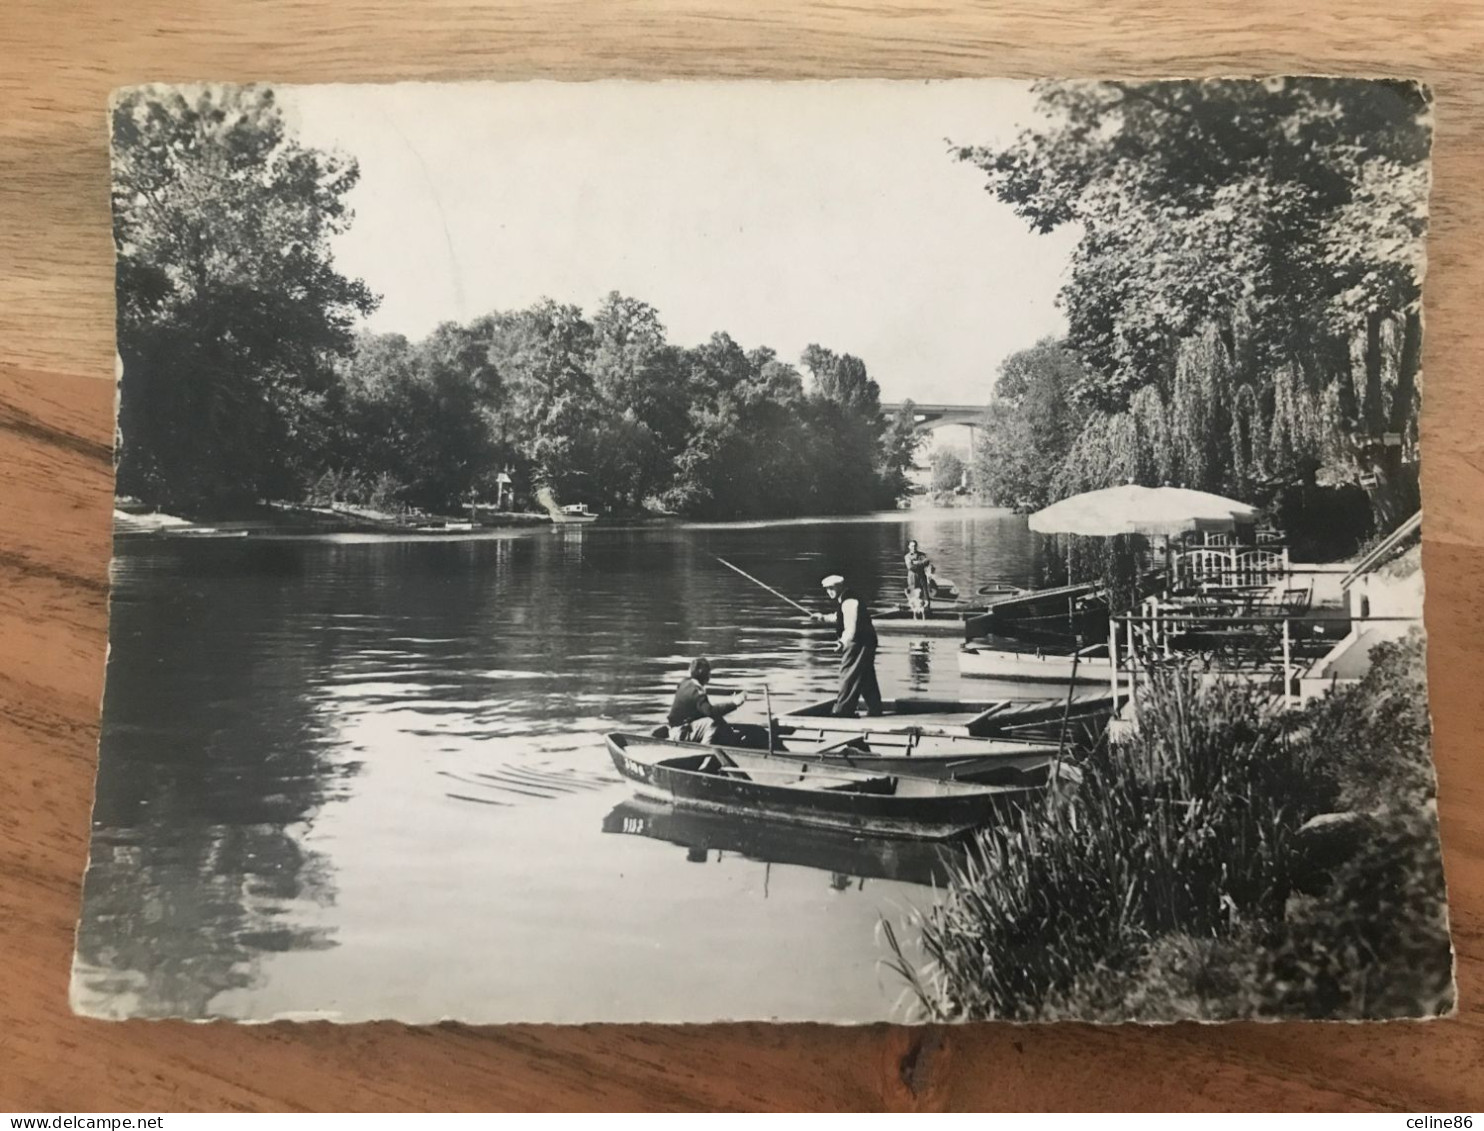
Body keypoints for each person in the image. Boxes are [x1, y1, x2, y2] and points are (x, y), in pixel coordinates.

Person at [813, 574, 883, 717]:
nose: (829, 592)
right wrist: (823, 618)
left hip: (859, 642)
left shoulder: (849, 601)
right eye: (827, 589)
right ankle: (875, 708)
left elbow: (851, 627)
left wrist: (841, 642)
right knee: (865, 675)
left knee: (848, 674)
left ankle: (843, 711)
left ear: (840, 586)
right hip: (866, 641)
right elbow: (840, 617)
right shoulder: (846, 599)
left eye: (832, 588)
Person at [666, 657, 747, 744]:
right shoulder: (696, 691)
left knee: (716, 719)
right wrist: (734, 704)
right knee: (712, 722)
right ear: (704, 674)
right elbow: (710, 711)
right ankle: (706, 749)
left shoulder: (685, 683)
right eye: (708, 672)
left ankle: (729, 740)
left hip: (677, 729)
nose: (710, 675)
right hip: (680, 733)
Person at [903, 539, 934, 614]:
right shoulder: (907, 556)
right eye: (912, 546)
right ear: (909, 547)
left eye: (915, 546)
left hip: (922, 576)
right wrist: (921, 563)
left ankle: (927, 610)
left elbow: (927, 562)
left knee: (925, 592)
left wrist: (916, 563)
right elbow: (910, 567)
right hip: (912, 577)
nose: (914, 547)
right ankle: (914, 611)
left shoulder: (922, 555)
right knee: (914, 593)